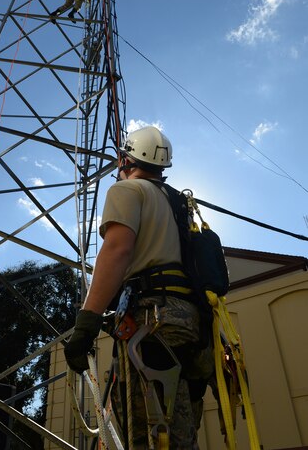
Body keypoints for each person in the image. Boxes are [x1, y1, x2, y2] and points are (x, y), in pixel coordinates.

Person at [64, 126, 215, 449]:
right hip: (190, 324)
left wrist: (87, 323)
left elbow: (117, 250)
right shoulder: (179, 203)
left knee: (149, 435)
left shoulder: (126, 191)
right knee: (177, 429)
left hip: (151, 321)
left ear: (125, 159)